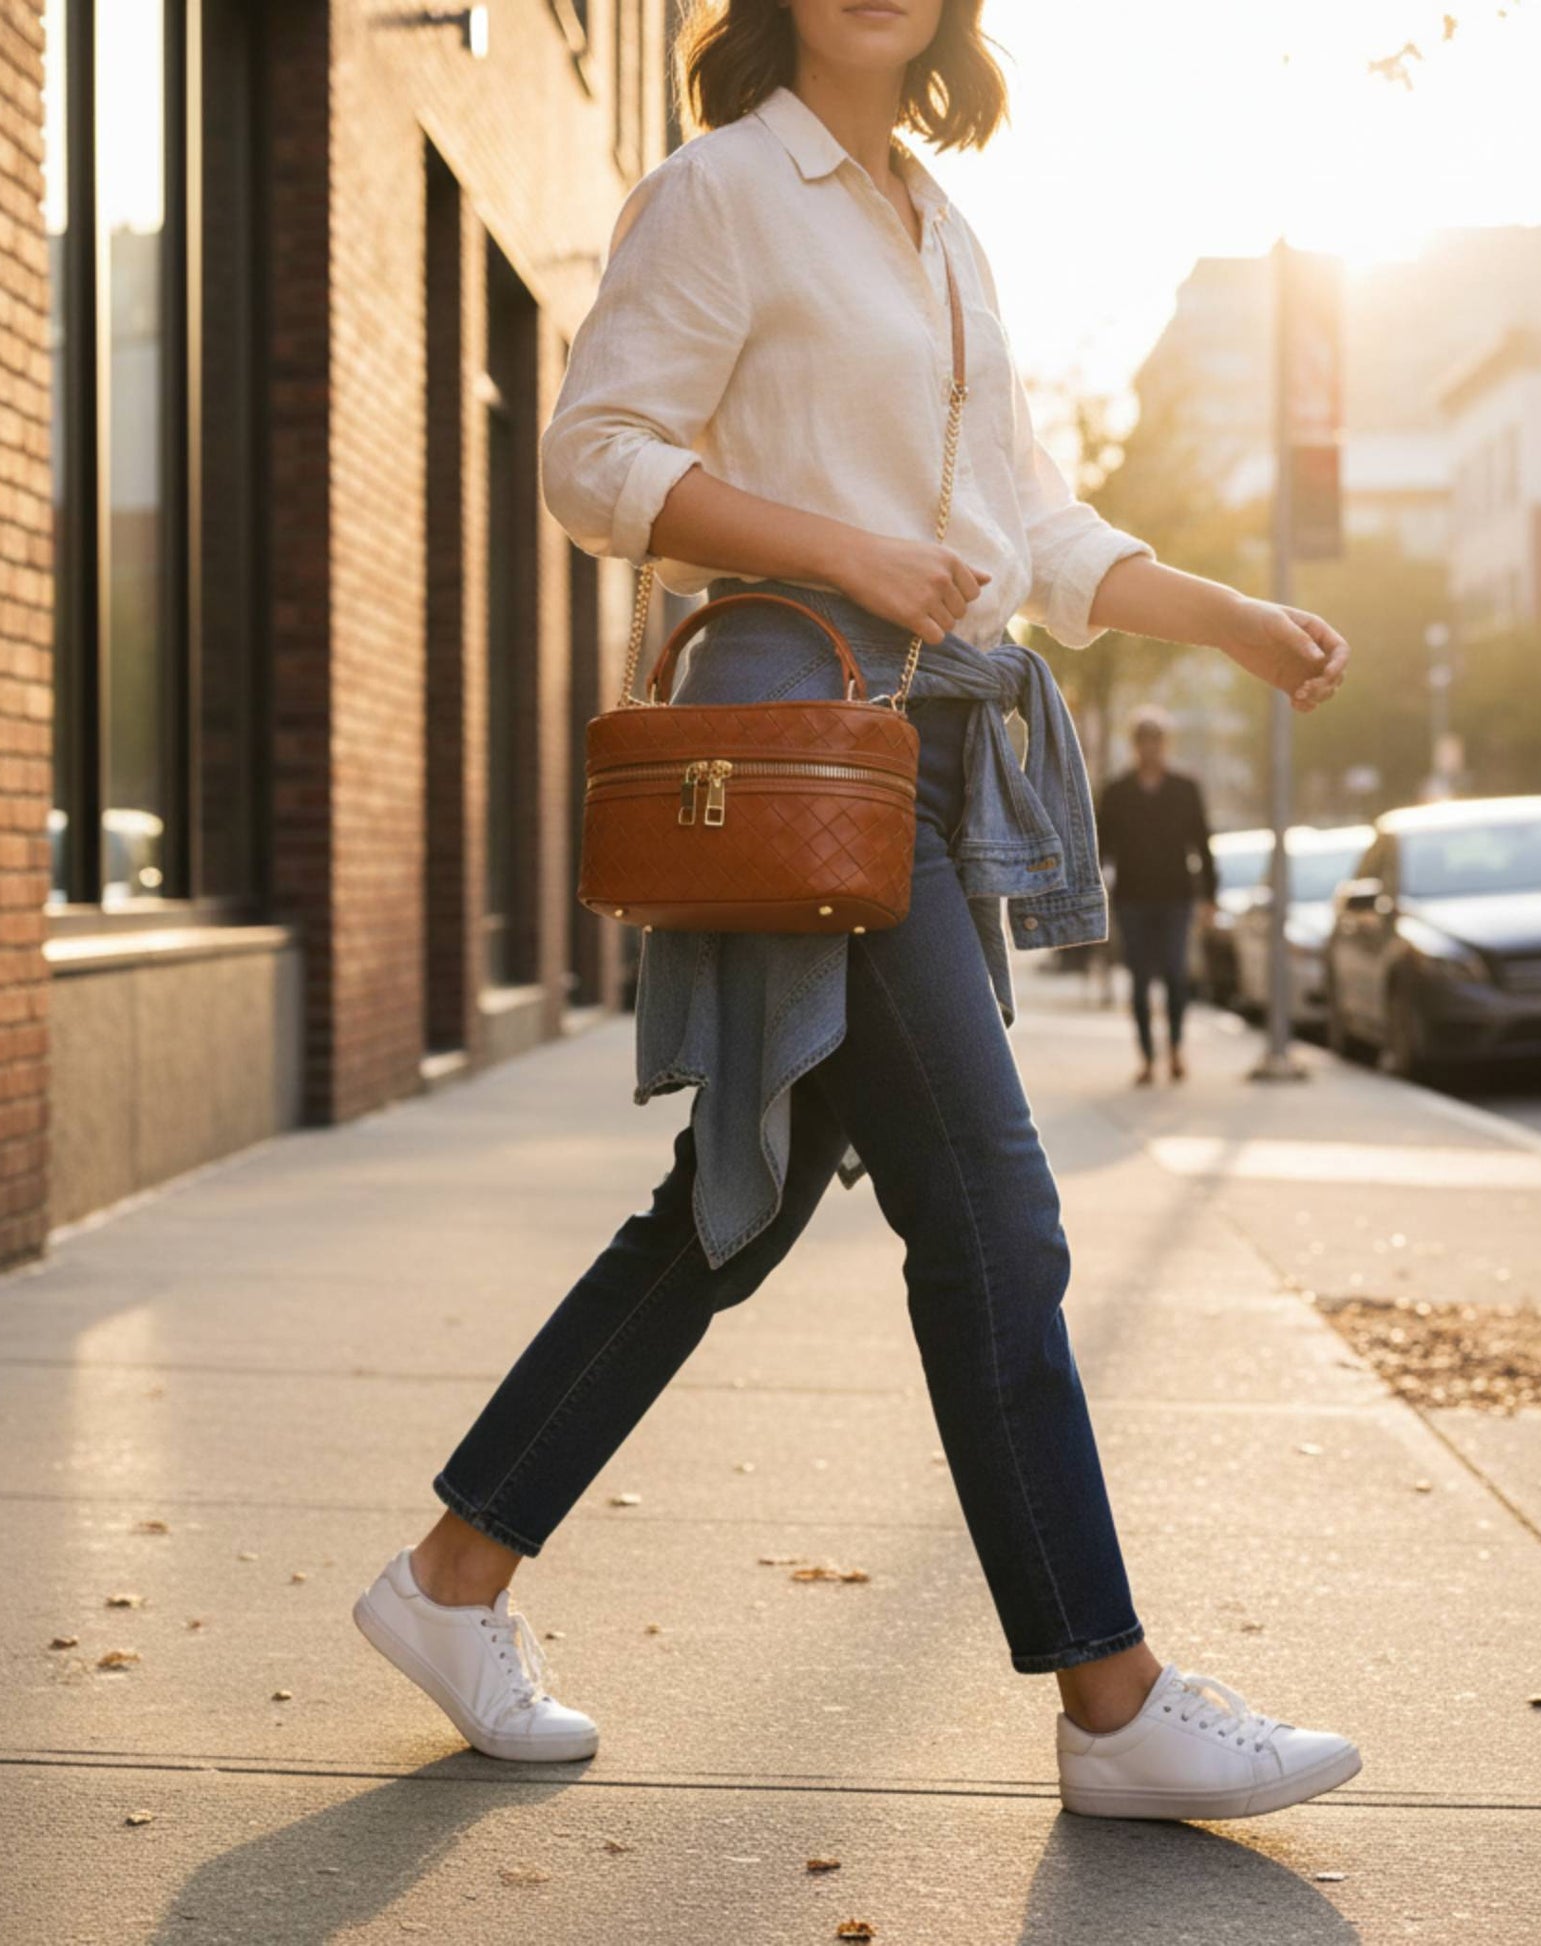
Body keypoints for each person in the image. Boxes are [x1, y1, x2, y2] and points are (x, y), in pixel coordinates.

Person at [353, 0, 1359, 1823]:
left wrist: (1233, 619)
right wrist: (840, 549)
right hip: (807, 740)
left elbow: (1027, 533)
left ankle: (449, 1582)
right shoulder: (723, 189)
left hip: (914, 759)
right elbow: (595, 456)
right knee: (994, 1218)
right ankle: (1112, 1697)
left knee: (734, 1209)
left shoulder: (940, 225)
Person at [1098, 707, 1217, 1085]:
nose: (1150, 748)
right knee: (1138, 980)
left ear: (1165, 745)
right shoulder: (1117, 792)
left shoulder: (1185, 789)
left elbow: (1202, 843)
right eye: (1143, 741)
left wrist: (1209, 896)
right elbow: (1101, 848)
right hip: (1132, 896)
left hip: (1176, 896)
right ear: (1135, 746)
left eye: (1156, 741)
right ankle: (1147, 1058)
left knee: (1175, 974)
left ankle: (1176, 1048)